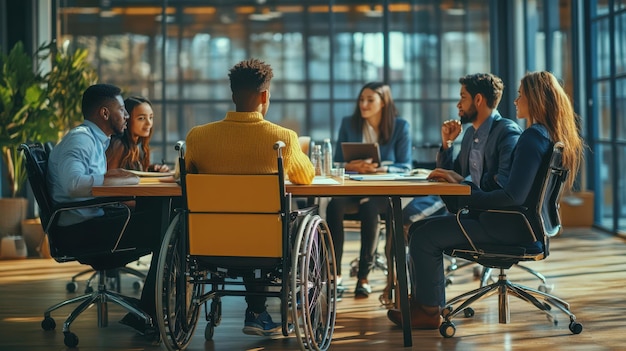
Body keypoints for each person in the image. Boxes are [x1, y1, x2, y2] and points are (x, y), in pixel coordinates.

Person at [386, 71, 584, 329]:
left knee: (424, 235)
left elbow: (512, 195)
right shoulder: (542, 135)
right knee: (420, 228)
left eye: (520, 95)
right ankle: (424, 304)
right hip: (512, 223)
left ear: (534, 99)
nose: (515, 101)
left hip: (507, 226)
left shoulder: (530, 138)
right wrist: (461, 179)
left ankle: (429, 311)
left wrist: (467, 192)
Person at [184, 58, 314, 336]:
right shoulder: (283, 138)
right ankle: (279, 307)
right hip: (265, 243)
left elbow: (180, 178)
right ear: (265, 95)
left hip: (210, 241)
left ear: (233, 95)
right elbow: (305, 177)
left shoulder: (197, 137)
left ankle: (258, 311)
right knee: (291, 220)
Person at [47, 84, 162, 335]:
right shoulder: (81, 140)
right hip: (81, 232)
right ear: (105, 113)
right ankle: (149, 314)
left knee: (162, 212)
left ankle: (150, 309)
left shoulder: (94, 140)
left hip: (90, 222)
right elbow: (74, 184)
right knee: (165, 227)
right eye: (122, 109)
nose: (128, 115)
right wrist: (112, 179)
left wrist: (112, 176)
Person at [401, 73, 523, 234]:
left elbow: (502, 182)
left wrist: (464, 183)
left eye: (463, 98)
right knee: (413, 227)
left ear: (478, 100)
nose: (458, 104)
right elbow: (452, 175)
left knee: (420, 232)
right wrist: (447, 144)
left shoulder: (507, 132)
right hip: (469, 210)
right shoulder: (470, 134)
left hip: (492, 218)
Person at [326, 82, 412, 299]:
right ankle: (335, 275)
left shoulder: (400, 126)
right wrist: (351, 166)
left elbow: (406, 165)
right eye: (361, 99)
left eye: (370, 100)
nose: (363, 104)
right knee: (334, 205)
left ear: (383, 102)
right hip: (353, 190)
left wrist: (380, 168)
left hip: (380, 194)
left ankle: (363, 276)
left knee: (370, 207)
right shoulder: (349, 124)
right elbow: (337, 161)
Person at [106, 96, 170, 173]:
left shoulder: (136, 146)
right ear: (126, 119)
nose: (149, 123)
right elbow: (110, 179)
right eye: (141, 118)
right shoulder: (119, 146)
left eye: (151, 117)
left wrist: (152, 169)